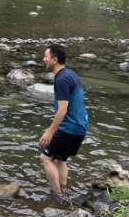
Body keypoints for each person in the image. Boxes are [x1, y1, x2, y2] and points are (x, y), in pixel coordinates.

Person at [38, 43, 90, 205]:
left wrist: (50, 132)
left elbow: (62, 110)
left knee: (45, 158)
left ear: (54, 59)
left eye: (46, 56)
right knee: (60, 159)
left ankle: (58, 196)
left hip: (70, 127)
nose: (43, 59)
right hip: (80, 126)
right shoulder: (70, 74)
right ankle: (64, 190)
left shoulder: (61, 79)